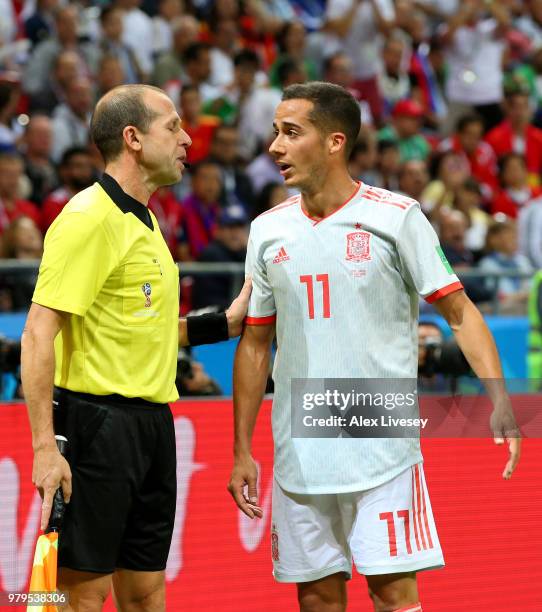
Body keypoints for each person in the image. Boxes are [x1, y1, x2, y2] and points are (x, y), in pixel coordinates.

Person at [227, 82, 521, 612]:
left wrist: (499, 399)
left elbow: (460, 311)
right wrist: (241, 448)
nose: (275, 147)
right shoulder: (266, 230)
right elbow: (254, 343)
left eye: (291, 133)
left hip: (378, 432)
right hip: (299, 439)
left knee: (392, 592)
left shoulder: (396, 216)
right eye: (275, 132)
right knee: (317, 597)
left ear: (335, 142)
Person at [20, 84, 251, 612]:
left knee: (146, 592)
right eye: (172, 127)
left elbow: (148, 328)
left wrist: (226, 324)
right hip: (96, 426)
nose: (188, 139)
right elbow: (38, 332)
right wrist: (43, 448)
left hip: (152, 426)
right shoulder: (89, 218)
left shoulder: (146, 222)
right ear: (133, 138)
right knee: (80, 593)